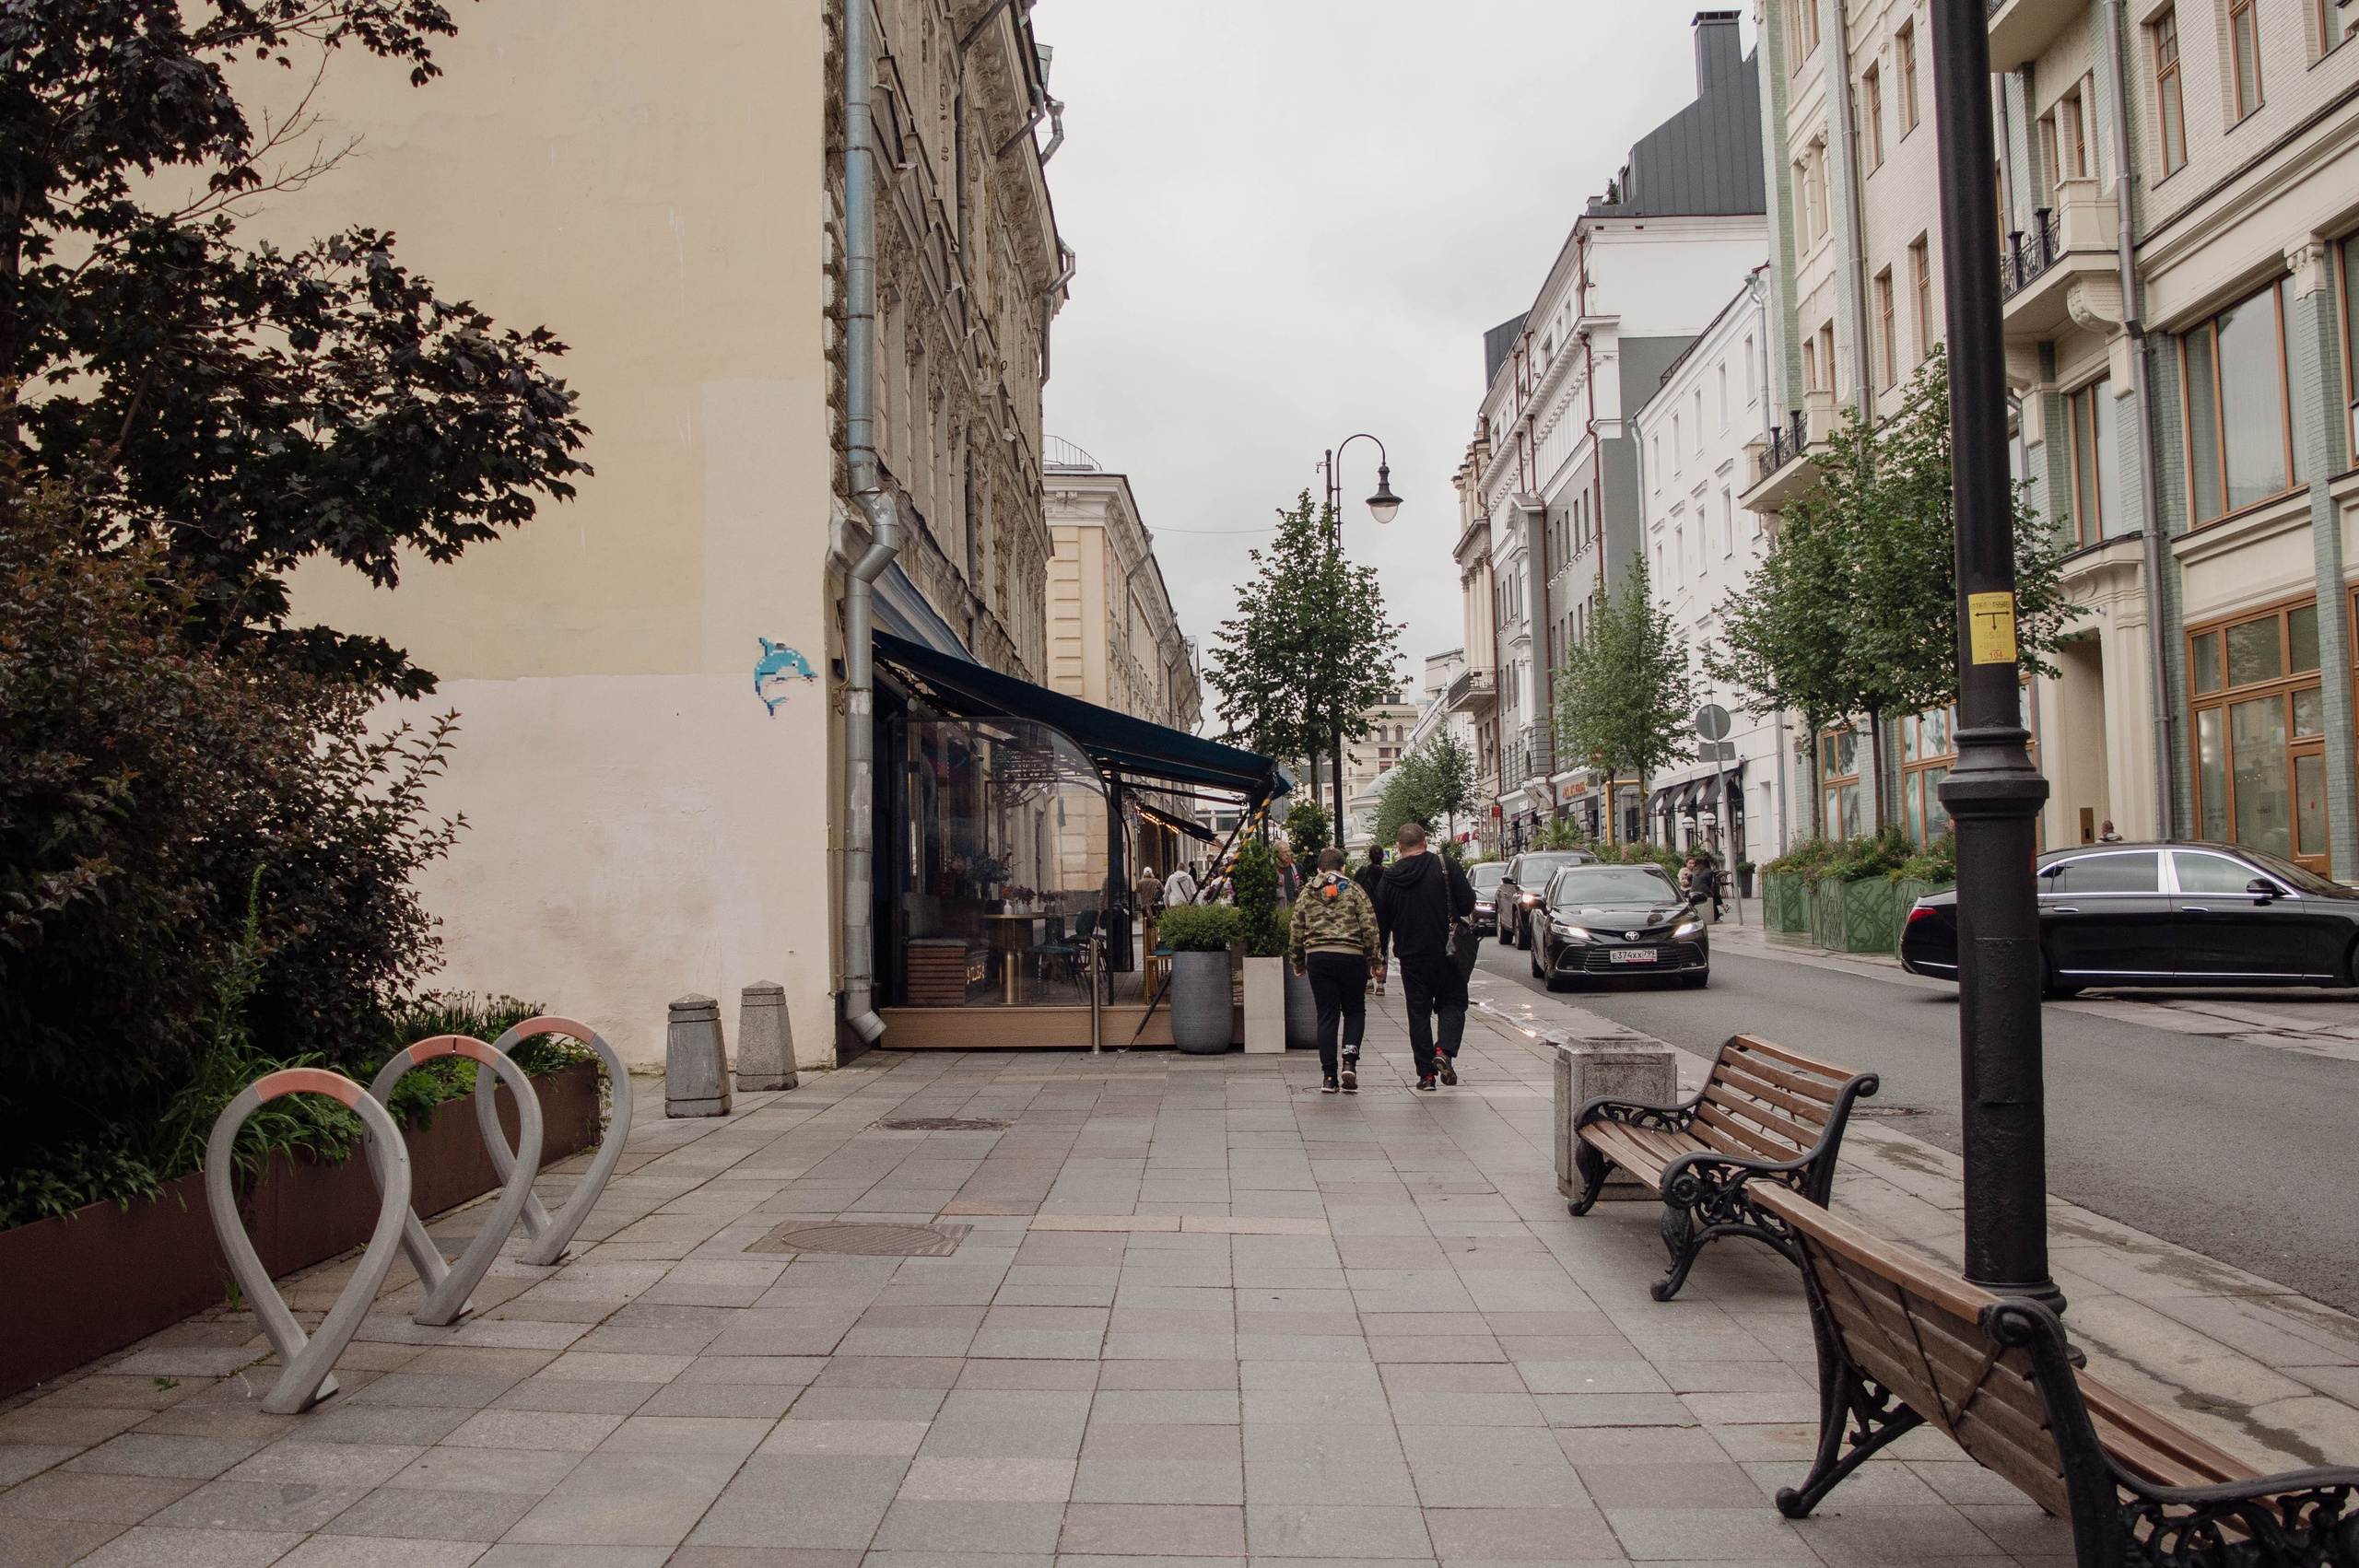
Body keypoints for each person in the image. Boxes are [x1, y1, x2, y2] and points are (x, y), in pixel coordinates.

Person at [1376, 822, 1476, 1091]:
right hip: (1447, 953)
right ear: (1426, 841)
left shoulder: (1390, 878)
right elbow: (1467, 903)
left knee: (1418, 1013)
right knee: (1453, 1004)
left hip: (1411, 958)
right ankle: (1443, 1050)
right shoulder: (1446, 866)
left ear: (1398, 847)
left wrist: (1379, 961)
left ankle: (1426, 1076)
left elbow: (1381, 925)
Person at [1289, 846, 1381, 1094]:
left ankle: (1329, 1076)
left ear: (1319, 869)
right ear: (1343, 868)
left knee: (1326, 1015)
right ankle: (1349, 1063)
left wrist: (1297, 962)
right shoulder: (1354, 890)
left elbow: (1296, 929)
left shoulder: (1307, 893)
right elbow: (1370, 926)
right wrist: (1375, 961)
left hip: (1319, 958)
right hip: (1351, 958)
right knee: (1354, 1010)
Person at [1353, 845, 1391, 996]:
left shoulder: (1363, 873)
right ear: (1383, 857)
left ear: (1369, 856)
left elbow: (1354, 892)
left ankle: (1368, 980)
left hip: (1365, 916)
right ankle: (1380, 983)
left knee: (1365, 946)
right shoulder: (1388, 875)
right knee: (1383, 948)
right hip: (1384, 917)